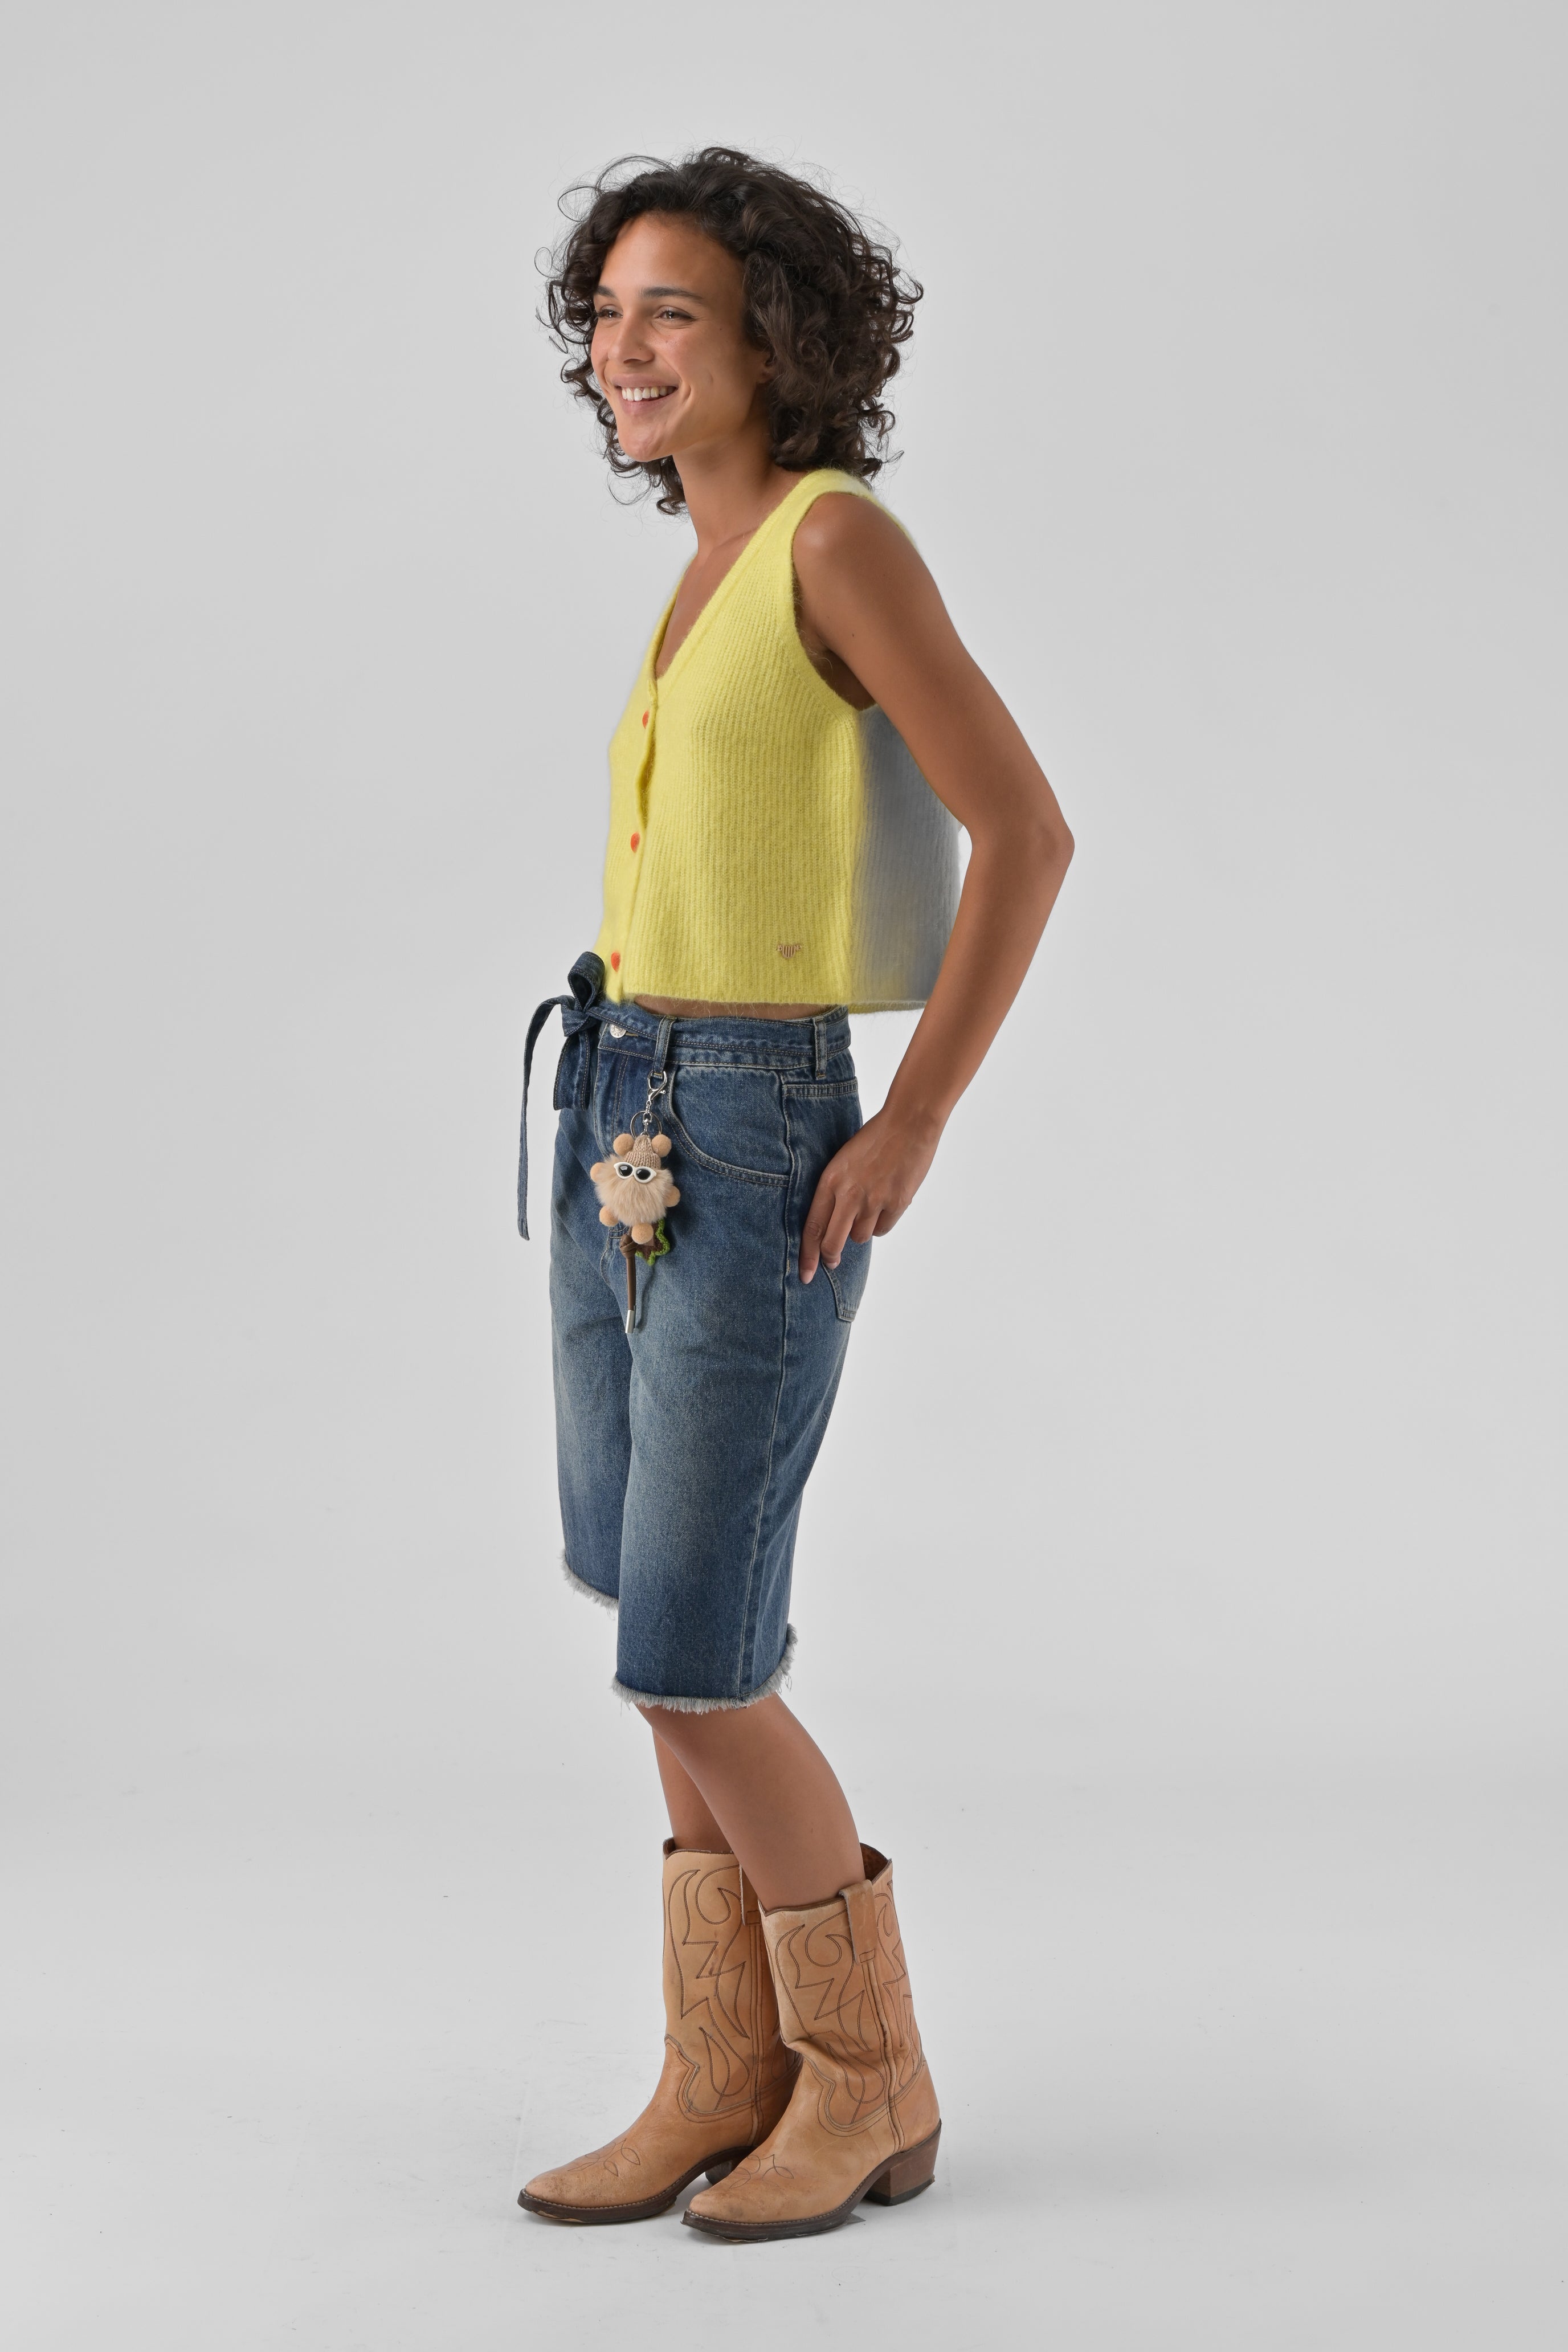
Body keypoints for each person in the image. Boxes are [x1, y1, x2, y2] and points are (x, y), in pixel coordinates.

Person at [516, 149, 1073, 2243]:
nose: (624, 349)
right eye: (607, 313)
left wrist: (909, 1120)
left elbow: (1026, 830)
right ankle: (720, 2074)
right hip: (623, 1105)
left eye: (670, 312)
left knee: (702, 1648)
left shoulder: (834, 541)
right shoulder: (701, 565)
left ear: (777, 340)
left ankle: (868, 2081)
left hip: (754, 1117)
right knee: (649, 1615)